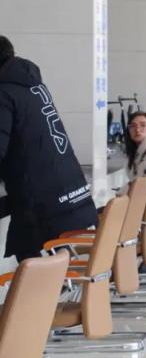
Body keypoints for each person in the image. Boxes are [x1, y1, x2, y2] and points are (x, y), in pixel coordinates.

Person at [0, 35, 98, 261]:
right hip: (69, 192)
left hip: (42, 198)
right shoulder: (32, 85)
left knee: (29, 252)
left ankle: (45, 284)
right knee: (35, 251)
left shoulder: (4, 92)